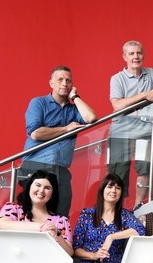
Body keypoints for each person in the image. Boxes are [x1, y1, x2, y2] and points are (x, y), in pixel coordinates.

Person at [20, 66, 98, 217]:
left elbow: (91, 118)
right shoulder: (39, 103)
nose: (64, 84)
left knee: (61, 215)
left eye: (68, 81)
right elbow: (36, 133)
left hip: (60, 168)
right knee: (32, 214)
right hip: (35, 164)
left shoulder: (74, 109)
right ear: (51, 83)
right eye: (60, 80)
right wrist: (66, 129)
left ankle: (57, 240)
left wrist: (75, 97)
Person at [107, 40, 153, 207]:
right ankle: (116, 209)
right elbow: (117, 105)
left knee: (145, 168)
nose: (136, 56)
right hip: (122, 130)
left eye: (139, 53)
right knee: (118, 172)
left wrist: (151, 93)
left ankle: (138, 206)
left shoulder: (149, 73)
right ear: (124, 57)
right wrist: (145, 95)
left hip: (145, 129)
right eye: (131, 53)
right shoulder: (117, 78)